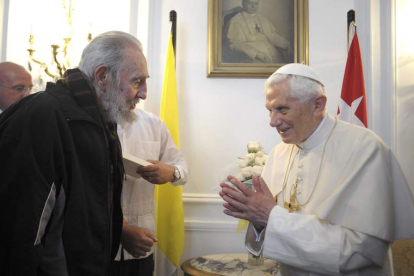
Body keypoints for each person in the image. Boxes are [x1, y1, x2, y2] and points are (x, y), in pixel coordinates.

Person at [219, 63, 414, 275]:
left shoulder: (365, 148)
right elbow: (266, 228)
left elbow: (362, 251)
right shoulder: (279, 153)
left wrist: (270, 217)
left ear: (318, 105)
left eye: (282, 109)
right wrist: (258, 220)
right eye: (270, 111)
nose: (273, 121)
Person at [0, 31, 149, 275]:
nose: (144, 93)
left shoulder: (100, 122)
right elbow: (20, 228)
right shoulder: (42, 115)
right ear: (102, 76)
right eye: (137, 81)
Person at [109, 106, 188, 275]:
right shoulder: (93, 124)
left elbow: (182, 168)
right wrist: (119, 230)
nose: (143, 93)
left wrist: (172, 172)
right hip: (102, 245)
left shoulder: (153, 123)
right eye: (136, 82)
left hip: (142, 242)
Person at [225, 0, 293, 63]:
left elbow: (272, 36)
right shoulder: (235, 21)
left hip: (271, 52)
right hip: (251, 56)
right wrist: (256, 53)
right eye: (249, 3)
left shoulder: (262, 18)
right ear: (243, 2)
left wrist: (286, 44)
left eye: (256, 3)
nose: (253, 6)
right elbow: (234, 44)